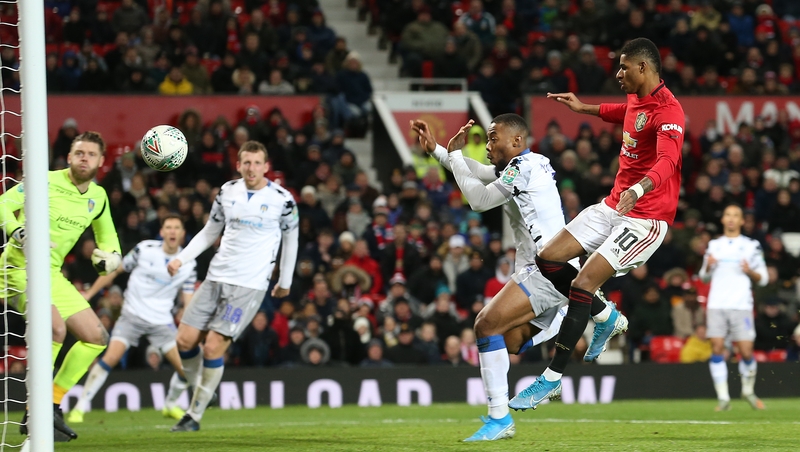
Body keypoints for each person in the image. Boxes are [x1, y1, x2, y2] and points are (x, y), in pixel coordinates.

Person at [411, 114, 612, 441]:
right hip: (551, 268)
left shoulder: (522, 167)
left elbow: (478, 199)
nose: (488, 145)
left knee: (485, 325)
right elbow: (477, 172)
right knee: (507, 341)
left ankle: (499, 418)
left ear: (516, 141)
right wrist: (438, 150)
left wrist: (457, 155)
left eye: (493, 138)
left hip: (547, 269)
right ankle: (557, 324)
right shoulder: (529, 164)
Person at [508, 37, 684, 410]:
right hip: (612, 205)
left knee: (584, 281)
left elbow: (667, 162)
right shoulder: (639, 98)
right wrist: (583, 107)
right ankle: (605, 315)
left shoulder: (670, 112)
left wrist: (638, 189)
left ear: (643, 68)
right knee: (548, 256)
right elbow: (625, 113)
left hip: (645, 218)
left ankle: (551, 379)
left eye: (623, 67)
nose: (617, 73)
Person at [167, 141, 299, 432]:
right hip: (216, 278)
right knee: (184, 341)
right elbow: (209, 232)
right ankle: (204, 390)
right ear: (238, 165)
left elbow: (291, 240)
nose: (251, 168)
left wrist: (285, 280)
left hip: (248, 286)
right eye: (246, 163)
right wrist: (182, 258)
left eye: (256, 163)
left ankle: (195, 414)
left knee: (213, 347)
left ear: (266, 166)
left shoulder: (283, 199)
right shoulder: (227, 192)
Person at [0, 132, 122, 441]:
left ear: (100, 161)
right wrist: (19, 231)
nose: (84, 158)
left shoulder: (99, 197)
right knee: (56, 329)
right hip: (19, 269)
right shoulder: (44, 180)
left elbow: (111, 244)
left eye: (91, 154)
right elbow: (3, 204)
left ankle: (50, 405)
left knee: (96, 337)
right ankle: (35, 409)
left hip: (51, 274)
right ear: (68, 157)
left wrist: (109, 260)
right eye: (79, 152)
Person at [68, 214, 197, 423]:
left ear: (183, 233)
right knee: (110, 358)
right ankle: (79, 408)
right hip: (132, 315)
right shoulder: (144, 250)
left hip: (161, 321)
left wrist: (190, 324)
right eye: (168, 227)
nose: (172, 231)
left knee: (185, 369)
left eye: (177, 228)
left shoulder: (188, 264)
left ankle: (170, 405)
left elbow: (188, 298)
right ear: (162, 231)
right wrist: (91, 293)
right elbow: (115, 271)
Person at [699, 204, 767, 411]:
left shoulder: (752, 246)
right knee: (717, 347)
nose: (731, 219)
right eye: (727, 214)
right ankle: (723, 398)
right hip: (717, 305)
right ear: (723, 220)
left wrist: (750, 271)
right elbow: (703, 276)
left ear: (742, 221)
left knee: (746, 352)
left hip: (741, 305)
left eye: (735, 215)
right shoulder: (713, 245)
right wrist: (708, 266)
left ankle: (747, 390)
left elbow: (763, 279)